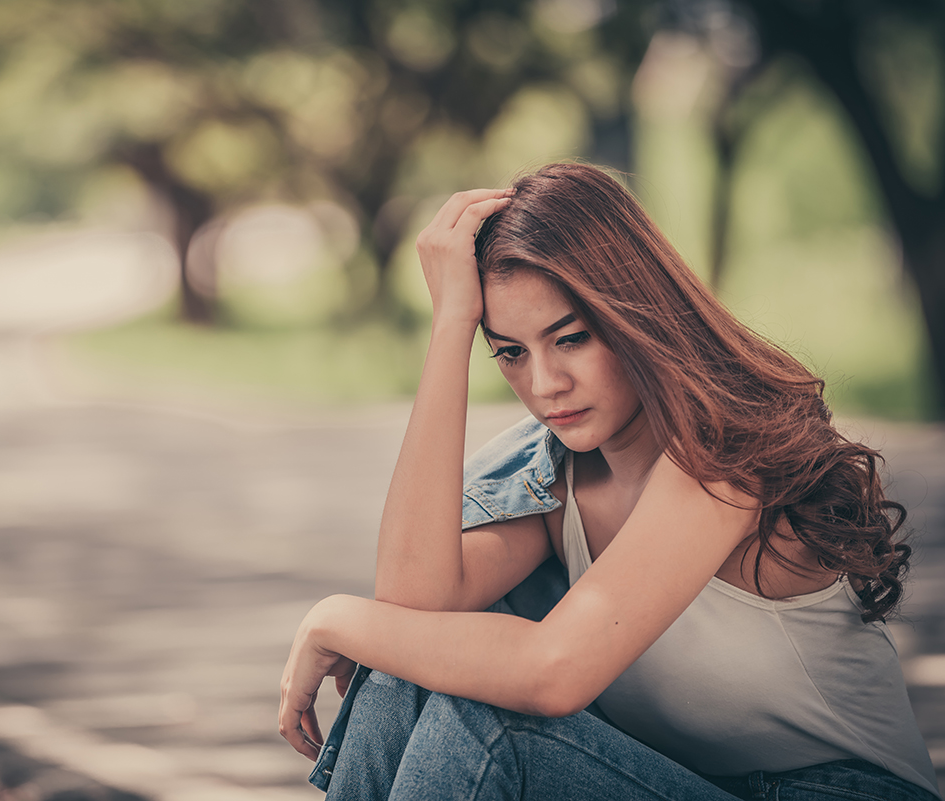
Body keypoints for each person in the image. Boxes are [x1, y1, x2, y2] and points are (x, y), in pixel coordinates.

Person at [278, 163, 941, 800]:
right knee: (407, 668)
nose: (543, 385)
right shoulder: (555, 479)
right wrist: (451, 323)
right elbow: (410, 610)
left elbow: (553, 673)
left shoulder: (729, 456)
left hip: (838, 791)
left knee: (488, 722)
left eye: (571, 338)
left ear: (637, 316)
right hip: (682, 782)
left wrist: (331, 617)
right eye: (510, 352)